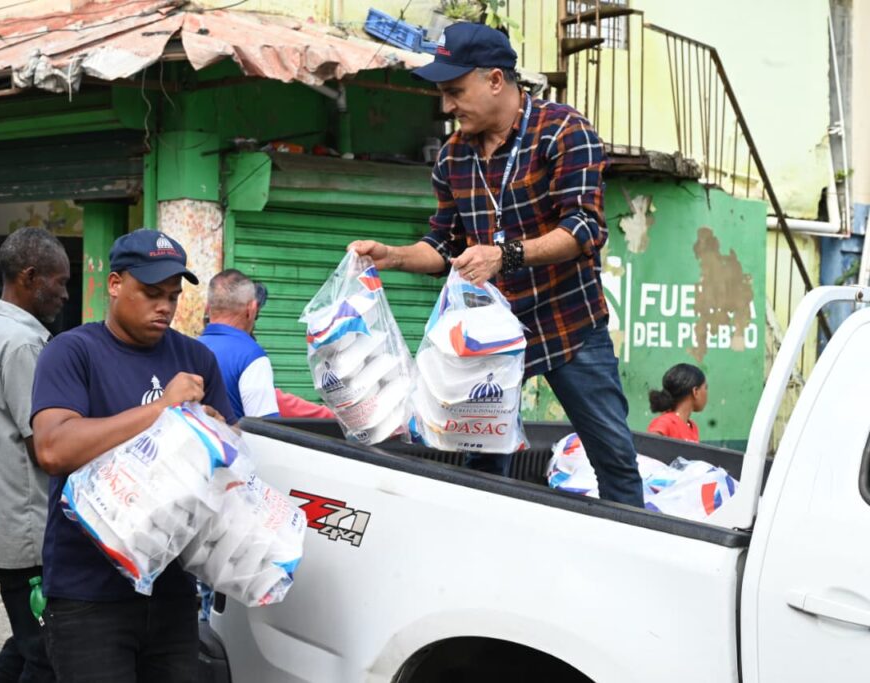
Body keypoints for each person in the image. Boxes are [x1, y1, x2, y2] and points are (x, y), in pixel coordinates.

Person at [349, 22, 644, 507]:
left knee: (613, 457)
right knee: (481, 465)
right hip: (490, 339)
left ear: (494, 80)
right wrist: (392, 256)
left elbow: (584, 229)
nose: (446, 107)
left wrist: (504, 255)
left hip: (568, 326)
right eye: (443, 95)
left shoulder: (563, 131)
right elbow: (442, 245)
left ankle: (636, 544)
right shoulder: (452, 158)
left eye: (454, 92)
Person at [29, 229, 234, 683]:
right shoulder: (72, 352)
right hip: (88, 594)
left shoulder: (197, 359)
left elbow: (230, 463)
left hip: (172, 591)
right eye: (151, 293)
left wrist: (219, 434)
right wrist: (163, 409)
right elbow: (53, 448)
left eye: (173, 296)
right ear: (115, 284)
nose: (165, 307)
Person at [0, 226, 69, 683]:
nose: (64, 294)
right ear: (29, 277)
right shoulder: (23, 343)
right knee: (47, 656)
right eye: (59, 282)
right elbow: (47, 445)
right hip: (29, 532)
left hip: (3, 523)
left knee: (29, 641)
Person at [198, 270, 279, 420]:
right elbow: (266, 429)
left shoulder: (186, 349)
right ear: (251, 308)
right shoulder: (251, 356)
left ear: (208, 308)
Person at [647, 364, 707, 443]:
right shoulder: (665, 422)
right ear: (695, 392)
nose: (706, 392)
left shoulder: (693, 427)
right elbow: (649, 445)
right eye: (705, 388)